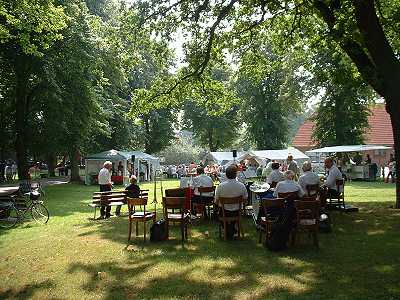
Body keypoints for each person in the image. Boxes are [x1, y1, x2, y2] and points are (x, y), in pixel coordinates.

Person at [215, 164, 248, 239]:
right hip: (237, 211)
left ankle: (229, 230)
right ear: (236, 174)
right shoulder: (241, 185)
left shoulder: (221, 186)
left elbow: (216, 201)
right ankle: (231, 230)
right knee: (225, 213)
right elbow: (245, 200)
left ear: (226, 175)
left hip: (224, 212)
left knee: (217, 214)